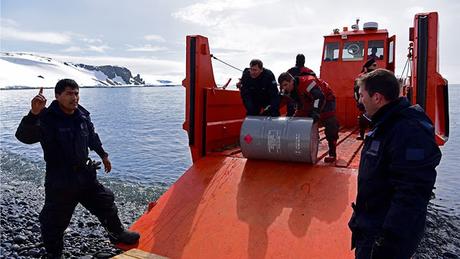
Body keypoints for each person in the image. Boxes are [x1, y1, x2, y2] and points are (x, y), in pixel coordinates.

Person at [16, 79, 140, 258]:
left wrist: (103, 155)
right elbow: (24, 137)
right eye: (69, 93)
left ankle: (117, 233)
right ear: (57, 96)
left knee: (106, 202)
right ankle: (54, 253)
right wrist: (33, 115)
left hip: (85, 175)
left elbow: (91, 136)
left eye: (76, 93)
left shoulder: (82, 115)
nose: (74, 97)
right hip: (60, 179)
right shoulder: (47, 117)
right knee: (53, 221)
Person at [348, 69, 441, 259]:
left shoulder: (408, 131)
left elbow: (412, 192)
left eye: (362, 95)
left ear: (377, 98)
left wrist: (388, 241)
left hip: (382, 239)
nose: (360, 101)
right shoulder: (386, 124)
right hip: (370, 227)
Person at [317, 79, 340, 163]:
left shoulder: (317, 85)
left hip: (327, 104)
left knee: (331, 124)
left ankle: (332, 152)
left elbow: (320, 98)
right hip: (311, 103)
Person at [354, 58, 377, 140]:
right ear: (366, 68)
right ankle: (361, 134)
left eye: (376, 65)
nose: (375, 67)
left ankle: (373, 133)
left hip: (375, 100)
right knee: (363, 117)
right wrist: (358, 101)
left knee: (375, 116)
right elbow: (356, 91)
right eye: (373, 65)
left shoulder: (377, 76)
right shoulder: (361, 78)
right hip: (364, 100)